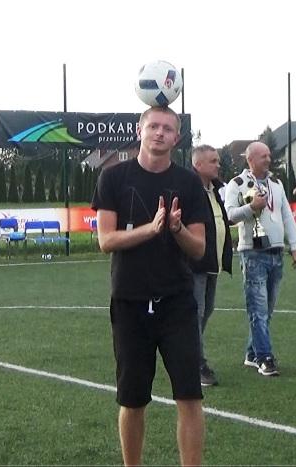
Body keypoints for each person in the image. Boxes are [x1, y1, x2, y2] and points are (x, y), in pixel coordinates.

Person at [92, 106, 208, 466]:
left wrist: (176, 229)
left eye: (167, 129)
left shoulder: (189, 183)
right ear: (139, 131)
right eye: (153, 126)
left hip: (177, 303)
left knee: (189, 397)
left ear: (177, 138)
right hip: (130, 302)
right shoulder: (113, 177)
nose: (159, 133)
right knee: (132, 399)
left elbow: (199, 248)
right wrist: (151, 228)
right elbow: (106, 241)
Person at [224, 141, 296, 376]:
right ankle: (264, 357)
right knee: (258, 309)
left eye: (268, 155)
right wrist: (251, 207)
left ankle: (251, 354)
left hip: (276, 252)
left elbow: (286, 215)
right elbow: (229, 215)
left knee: (268, 309)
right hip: (253, 253)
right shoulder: (237, 184)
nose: (268, 159)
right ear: (250, 159)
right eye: (263, 156)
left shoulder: (276, 183)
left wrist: (294, 245)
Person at [189, 145, 233, 387]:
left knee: (206, 310)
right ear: (198, 165)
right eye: (213, 161)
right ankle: (196, 364)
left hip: (212, 263)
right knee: (195, 314)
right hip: (195, 264)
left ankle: (188, 353)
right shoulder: (189, 189)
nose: (219, 164)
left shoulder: (215, 190)